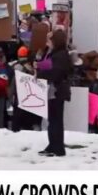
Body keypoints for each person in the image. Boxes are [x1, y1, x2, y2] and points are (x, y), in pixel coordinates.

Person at [36, 29, 72, 157]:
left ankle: (57, 147)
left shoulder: (61, 55)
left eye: (50, 39)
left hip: (57, 91)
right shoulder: (54, 53)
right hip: (53, 90)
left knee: (56, 120)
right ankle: (53, 145)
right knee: (53, 120)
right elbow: (48, 66)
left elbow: (56, 72)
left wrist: (41, 73)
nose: (47, 41)